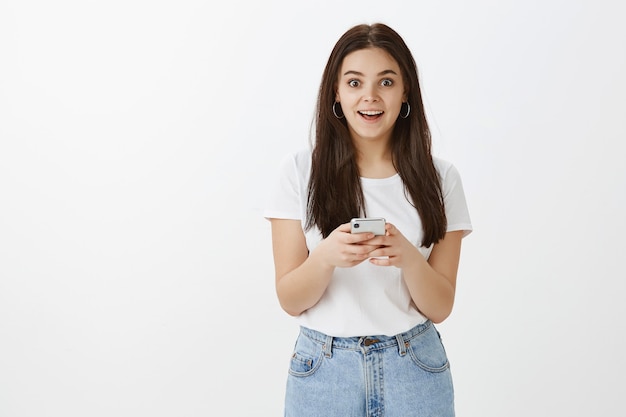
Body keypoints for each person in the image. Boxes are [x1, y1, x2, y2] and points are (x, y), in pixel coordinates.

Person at [264, 22, 472, 417]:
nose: (371, 97)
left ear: (406, 89)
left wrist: (408, 257)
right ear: (337, 94)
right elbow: (290, 299)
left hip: (414, 367)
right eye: (355, 82)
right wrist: (326, 257)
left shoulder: (441, 178)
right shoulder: (298, 171)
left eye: (387, 82)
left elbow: (441, 306)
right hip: (323, 370)